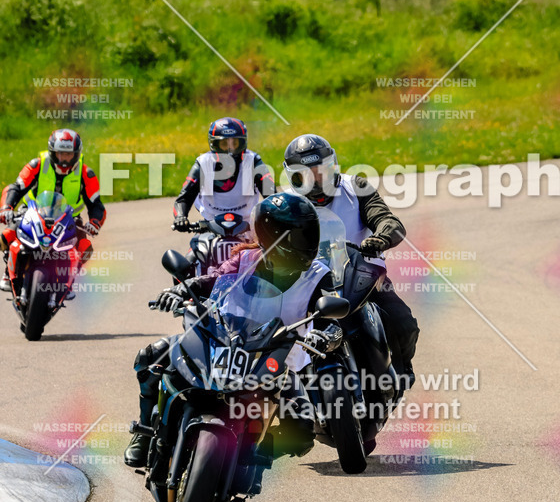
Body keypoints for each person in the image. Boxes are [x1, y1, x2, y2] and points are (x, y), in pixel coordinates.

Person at [124, 192, 338, 470]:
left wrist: (327, 334)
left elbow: (332, 317)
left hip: (275, 361)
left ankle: (250, 455)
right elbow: (213, 279)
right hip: (222, 341)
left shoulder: (320, 274)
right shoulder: (245, 259)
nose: (306, 243)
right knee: (151, 358)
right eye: (297, 236)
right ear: (270, 235)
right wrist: (179, 290)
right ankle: (146, 432)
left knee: (302, 433)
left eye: (308, 234)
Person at [283, 133, 418, 383]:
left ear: (333, 166)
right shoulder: (285, 203)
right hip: (308, 284)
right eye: (308, 174)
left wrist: (380, 238)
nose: (317, 179)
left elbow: (389, 221)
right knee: (273, 335)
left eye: (321, 170)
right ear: (294, 176)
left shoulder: (356, 187)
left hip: (363, 276)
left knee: (404, 323)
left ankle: (401, 369)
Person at [0, 130, 105, 291]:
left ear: (77, 153)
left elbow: (96, 204)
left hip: (69, 220)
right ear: (52, 152)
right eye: (60, 153)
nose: (64, 159)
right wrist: (7, 208)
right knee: (5, 237)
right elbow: (16, 188)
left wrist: (95, 222)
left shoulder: (86, 173)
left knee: (85, 247)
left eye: (69, 154)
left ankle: (68, 279)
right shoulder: (37, 165)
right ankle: (9, 269)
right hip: (32, 213)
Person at [172, 117, 274, 232]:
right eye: (224, 144)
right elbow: (183, 199)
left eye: (234, 143)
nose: (230, 149)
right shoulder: (203, 163)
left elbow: (273, 196)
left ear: (242, 143)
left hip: (247, 229)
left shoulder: (253, 161)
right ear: (214, 144)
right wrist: (181, 217)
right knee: (195, 250)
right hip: (210, 229)